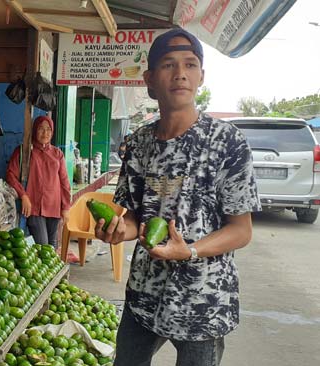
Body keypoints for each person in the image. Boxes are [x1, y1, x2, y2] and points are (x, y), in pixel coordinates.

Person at [95, 28, 260, 366]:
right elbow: (133, 218)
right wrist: (115, 231)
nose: (180, 73)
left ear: (201, 76)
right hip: (144, 294)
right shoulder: (140, 142)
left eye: (190, 64)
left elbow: (241, 230)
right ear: (150, 79)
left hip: (204, 300)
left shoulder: (227, 141)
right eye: (169, 65)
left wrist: (191, 251)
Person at [6, 115, 71, 247]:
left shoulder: (57, 154)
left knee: (52, 246)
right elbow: (10, 175)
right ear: (35, 130)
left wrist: (66, 207)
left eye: (48, 129)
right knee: (43, 245)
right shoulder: (24, 151)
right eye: (41, 129)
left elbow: (64, 182)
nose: (45, 133)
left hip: (54, 206)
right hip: (34, 206)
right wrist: (23, 195)